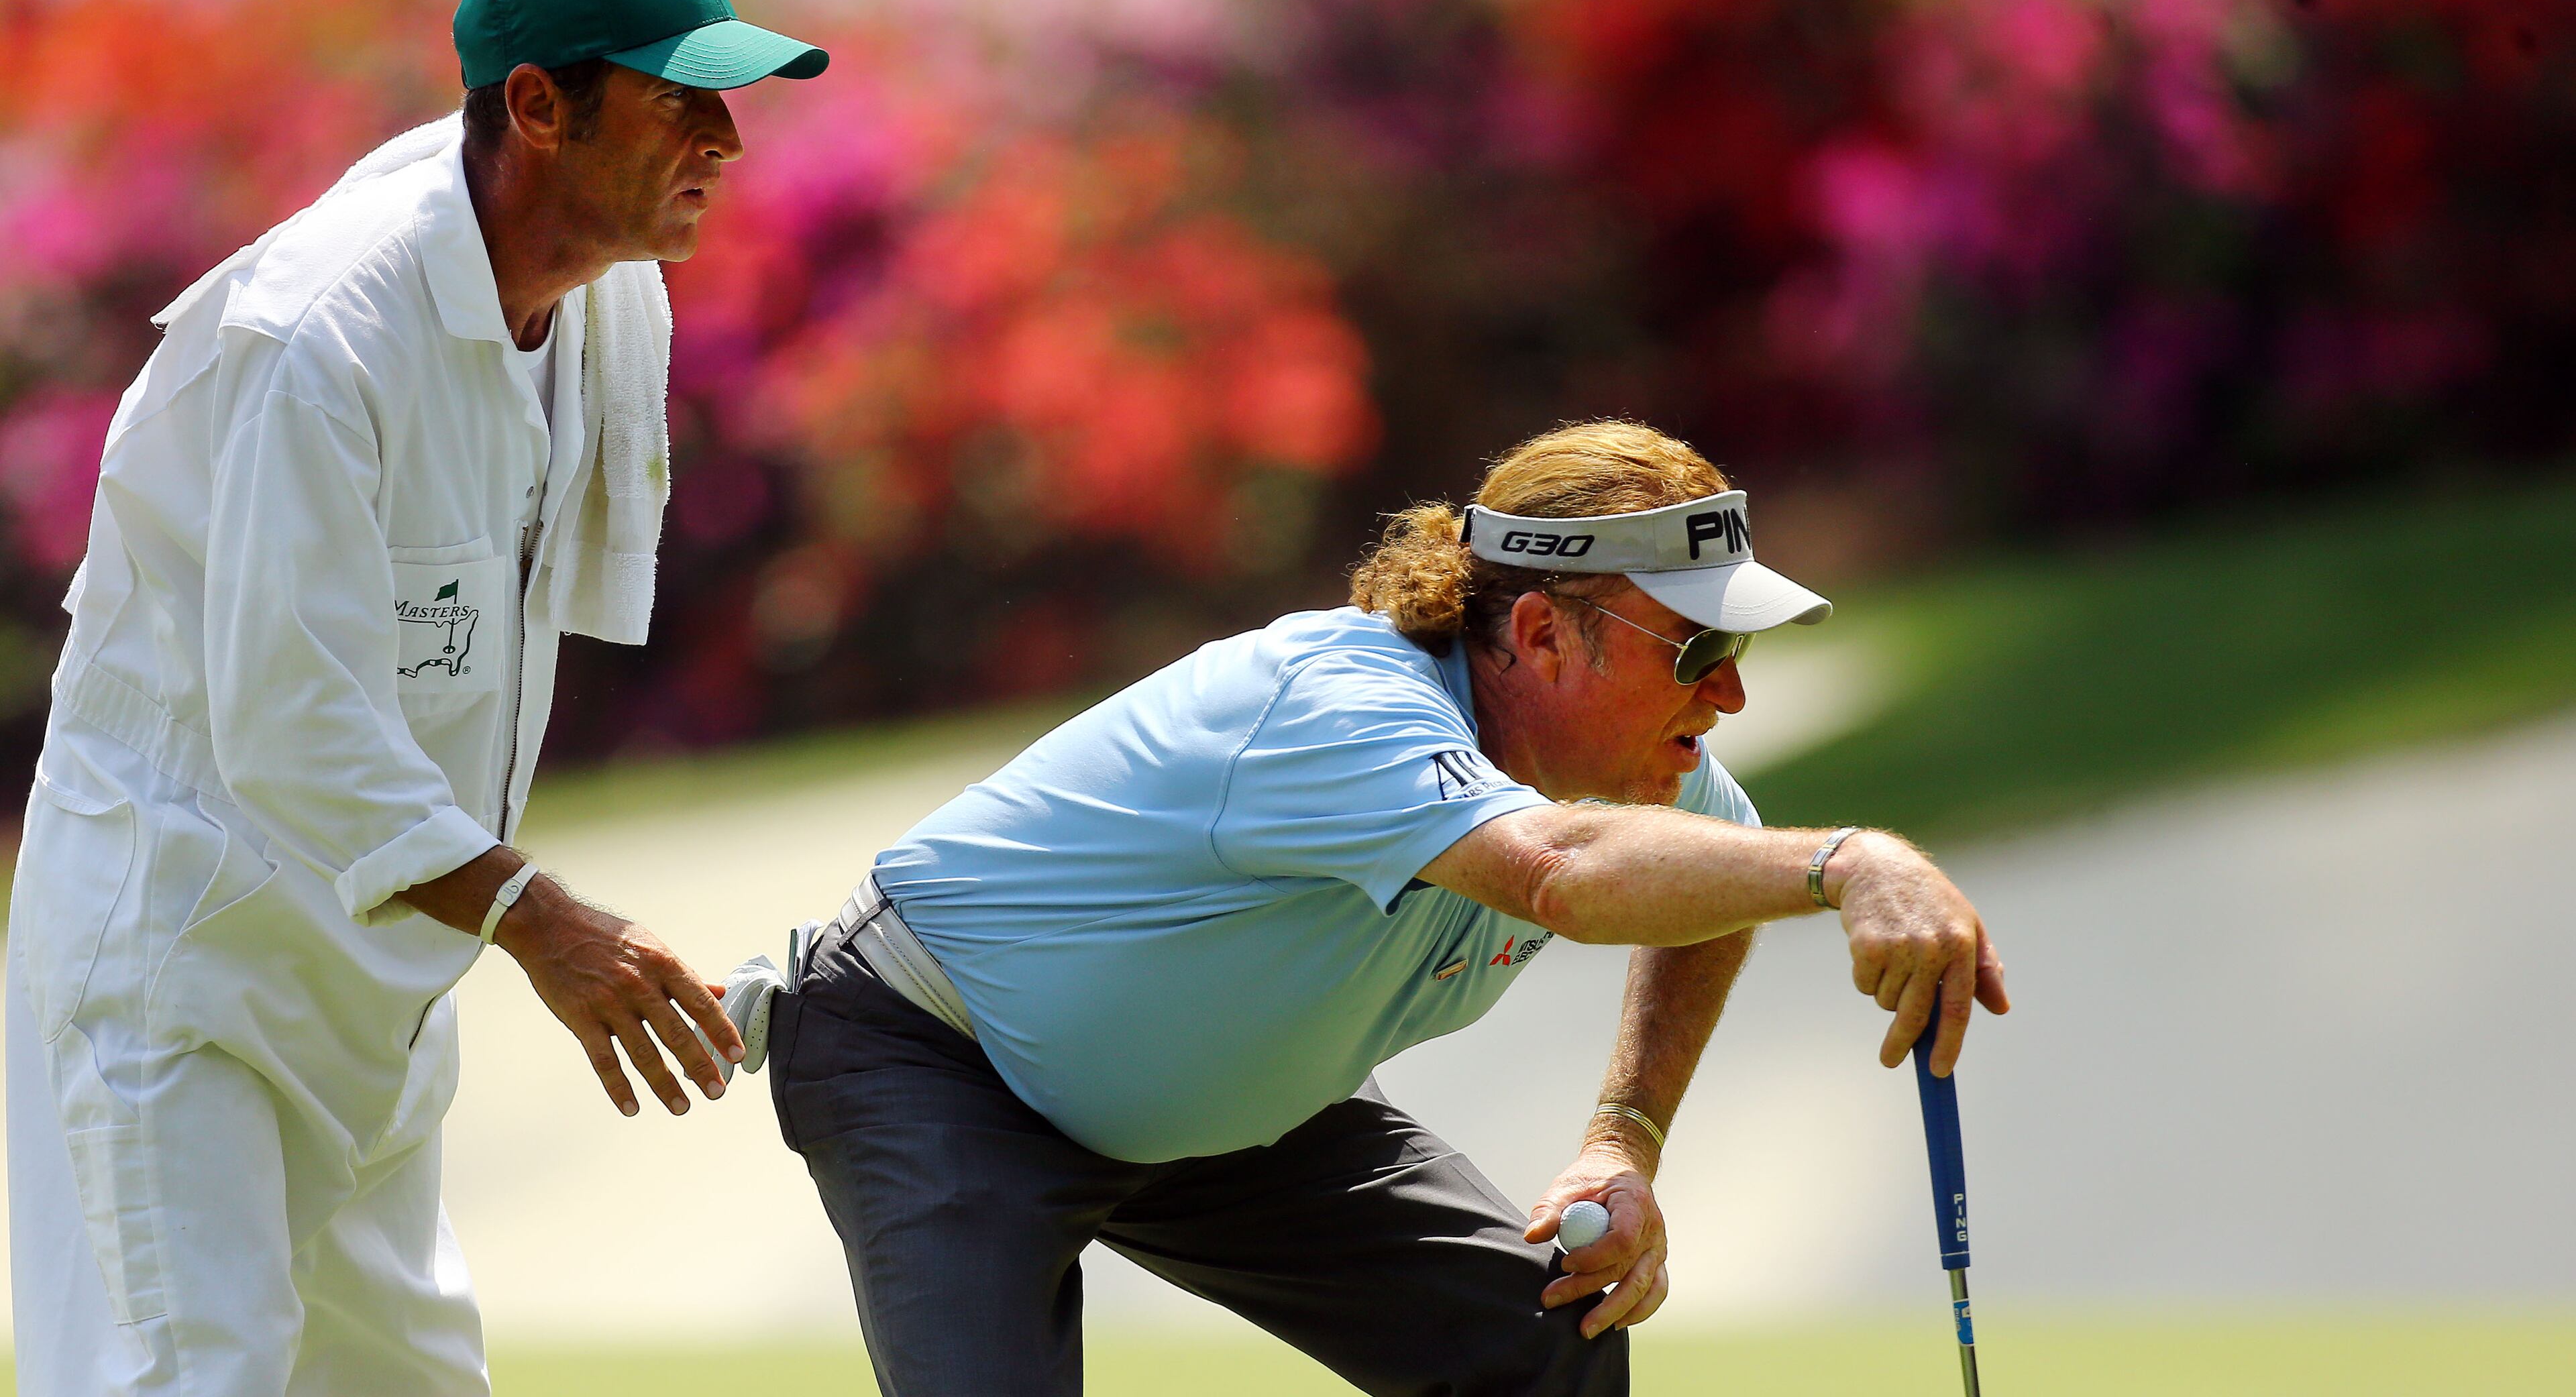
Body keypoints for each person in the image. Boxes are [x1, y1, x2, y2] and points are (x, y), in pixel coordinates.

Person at [761, 421, 2012, 1396]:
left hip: (1221, 1108)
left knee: (1542, 1337)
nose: (1730, 695)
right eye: (1694, 652)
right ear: (1540, 632)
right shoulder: (1340, 708)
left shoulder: (1650, 772)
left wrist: (1624, 1136)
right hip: (939, 1059)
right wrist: (1850, 863)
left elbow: (1712, 879)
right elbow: (1562, 879)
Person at [4, 0, 827, 1392]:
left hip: (373, 990)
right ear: (538, 105)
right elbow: (287, 719)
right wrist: (542, 922)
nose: (729, 141)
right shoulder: (320, 336)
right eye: (681, 102)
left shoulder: (609, 299)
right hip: (181, 972)